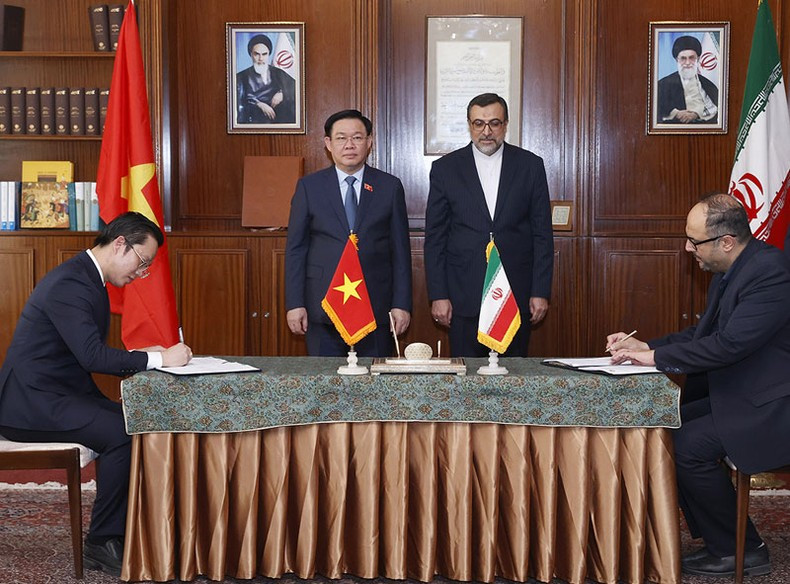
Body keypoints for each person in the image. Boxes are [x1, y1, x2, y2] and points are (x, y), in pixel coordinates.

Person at [0, 212, 193, 577]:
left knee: (132, 418)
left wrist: (149, 356)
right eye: (142, 262)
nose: (141, 273)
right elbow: (92, 355)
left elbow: (82, 354)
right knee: (122, 433)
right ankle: (102, 542)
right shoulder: (71, 284)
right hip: (29, 404)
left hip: (57, 394)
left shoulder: (87, 278)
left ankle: (127, 526)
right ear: (120, 243)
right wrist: (158, 358)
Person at [607, 193, 790, 577]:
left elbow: (730, 344)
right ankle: (720, 536)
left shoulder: (770, 272)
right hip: (742, 393)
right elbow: (703, 333)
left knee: (686, 445)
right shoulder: (734, 271)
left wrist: (654, 360)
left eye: (694, 241)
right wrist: (648, 345)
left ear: (726, 241)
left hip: (773, 404)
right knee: (668, 425)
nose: (687, 248)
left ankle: (741, 550)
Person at [424, 93, 554, 357]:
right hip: (464, 296)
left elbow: (542, 235)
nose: (486, 131)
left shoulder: (531, 166)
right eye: (478, 123)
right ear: (469, 125)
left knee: (512, 379)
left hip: (515, 295)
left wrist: (540, 291)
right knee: (467, 382)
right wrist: (438, 295)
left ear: (505, 124)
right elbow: (435, 237)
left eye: (494, 123)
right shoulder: (445, 169)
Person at [285, 109, 412, 356]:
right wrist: (295, 304)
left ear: (369, 142)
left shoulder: (389, 187)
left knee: (373, 386)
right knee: (325, 386)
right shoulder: (309, 187)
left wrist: (401, 304)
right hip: (322, 308)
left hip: (375, 309)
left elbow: (400, 252)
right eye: (341, 138)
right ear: (328, 144)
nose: (349, 145)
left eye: (357, 137)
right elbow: (295, 250)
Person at [657, 35, 718, 124]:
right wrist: (676, 113)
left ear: (698, 59)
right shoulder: (663, 84)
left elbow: (716, 109)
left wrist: (696, 114)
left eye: (691, 58)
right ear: (676, 60)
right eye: (683, 58)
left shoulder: (708, 85)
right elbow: (657, 109)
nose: (688, 63)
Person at [236, 34, 295, 124]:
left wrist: (283, 94)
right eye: (256, 54)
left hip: (278, 123)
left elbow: (297, 90)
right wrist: (259, 104)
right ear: (251, 54)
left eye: (264, 54)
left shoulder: (279, 73)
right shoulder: (240, 77)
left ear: (269, 54)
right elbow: (238, 102)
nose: (261, 59)